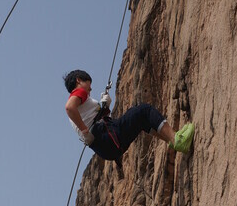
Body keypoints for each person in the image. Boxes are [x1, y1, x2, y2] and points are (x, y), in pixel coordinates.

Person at [63, 69, 194, 162]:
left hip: (105, 147)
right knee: (144, 110)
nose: (89, 90)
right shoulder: (79, 92)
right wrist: (84, 129)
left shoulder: (81, 109)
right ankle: (177, 140)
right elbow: (69, 107)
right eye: (89, 86)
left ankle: (171, 140)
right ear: (79, 80)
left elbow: (91, 118)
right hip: (106, 137)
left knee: (142, 121)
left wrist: (105, 105)